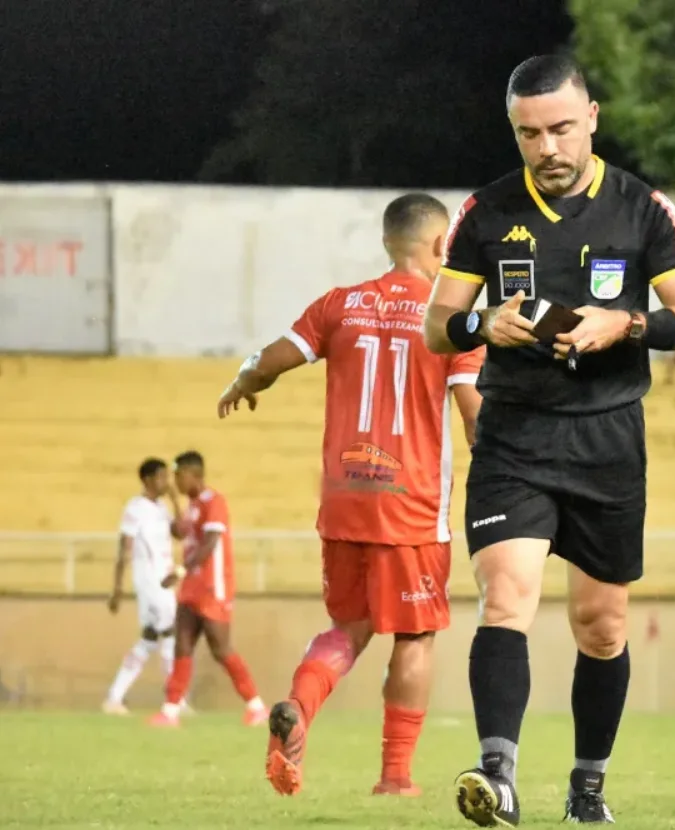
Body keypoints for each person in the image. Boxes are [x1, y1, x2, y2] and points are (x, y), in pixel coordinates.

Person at [424, 54, 675, 826]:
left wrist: (624, 324)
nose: (546, 148)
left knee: (602, 625)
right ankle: (498, 776)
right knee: (504, 599)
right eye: (528, 135)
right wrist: (482, 323)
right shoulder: (483, 212)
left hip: (607, 438)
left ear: (591, 118)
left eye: (559, 129)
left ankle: (587, 788)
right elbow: (435, 325)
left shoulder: (644, 208)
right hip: (514, 434)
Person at [215, 193, 484, 796]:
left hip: (343, 500)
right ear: (442, 246)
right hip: (410, 506)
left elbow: (270, 359)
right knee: (414, 636)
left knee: (348, 627)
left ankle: (297, 709)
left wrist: (243, 380)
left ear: (390, 242)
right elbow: (475, 416)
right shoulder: (451, 320)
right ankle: (395, 778)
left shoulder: (339, 304)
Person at [147, 451, 267, 727]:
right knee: (182, 646)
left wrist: (179, 570)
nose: (176, 481)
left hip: (214, 586)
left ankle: (256, 706)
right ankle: (170, 711)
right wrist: (174, 499)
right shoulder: (191, 505)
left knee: (221, 649)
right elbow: (178, 531)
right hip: (192, 587)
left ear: (194, 474)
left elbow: (211, 542)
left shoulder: (215, 502)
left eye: (179, 476)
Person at [102, 458, 186, 715]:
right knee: (171, 631)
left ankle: (114, 698)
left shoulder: (161, 507)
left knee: (150, 639)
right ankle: (175, 700)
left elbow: (182, 532)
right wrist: (117, 587)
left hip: (165, 579)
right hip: (150, 581)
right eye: (162, 477)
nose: (166, 482)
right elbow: (124, 547)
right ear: (148, 480)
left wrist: (174, 499)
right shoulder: (135, 508)